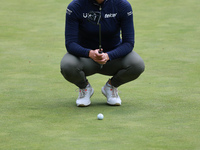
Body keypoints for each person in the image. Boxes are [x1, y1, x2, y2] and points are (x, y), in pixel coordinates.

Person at [60, 0, 145, 107]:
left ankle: (110, 87)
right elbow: (70, 43)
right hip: (85, 58)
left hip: (113, 58)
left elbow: (128, 43)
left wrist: (109, 56)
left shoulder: (122, 5)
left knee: (137, 64)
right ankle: (84, 88)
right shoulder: (76, 6)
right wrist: (89, 53)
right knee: (67, 65)